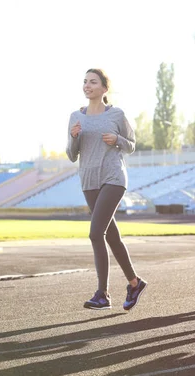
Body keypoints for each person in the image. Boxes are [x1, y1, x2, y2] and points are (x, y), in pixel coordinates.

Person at [66, 68, 147, 311]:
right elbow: (72, 155)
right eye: (85, 82)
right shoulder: (75, 116)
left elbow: (131, 145)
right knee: (110, 235)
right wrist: (74, 137)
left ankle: (102, 293)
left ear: (104, 88)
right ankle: (135, 283)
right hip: (89, 180)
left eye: (93, 82)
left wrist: (117, 140)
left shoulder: (117, 114)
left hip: (113, 177)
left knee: (95, 233)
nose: (87, 85)